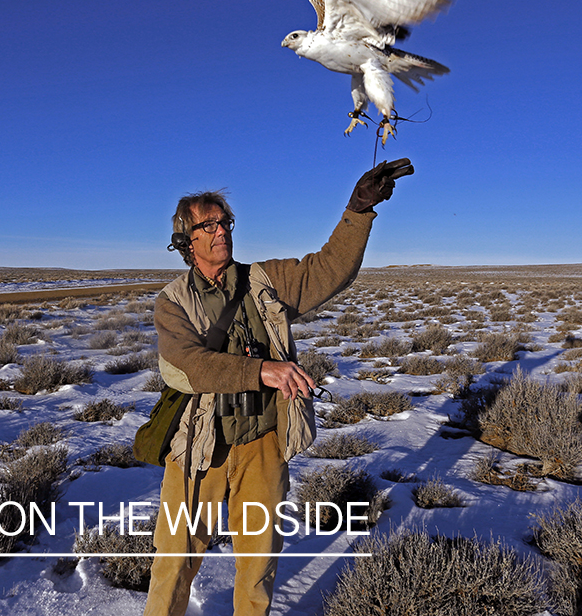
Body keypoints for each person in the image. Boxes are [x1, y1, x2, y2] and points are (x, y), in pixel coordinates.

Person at [142, 158, 414, 616]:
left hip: (263, 441)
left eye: (224, 222)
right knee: (174, 560)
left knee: (258, 563)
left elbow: (329, 270)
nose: (220, 231)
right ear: (186, 243)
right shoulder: (172, 302)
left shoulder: (265, 281)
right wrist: (265, 370)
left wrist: (358, 210)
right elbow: (190, 366)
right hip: (199, 447)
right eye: (206, 226)